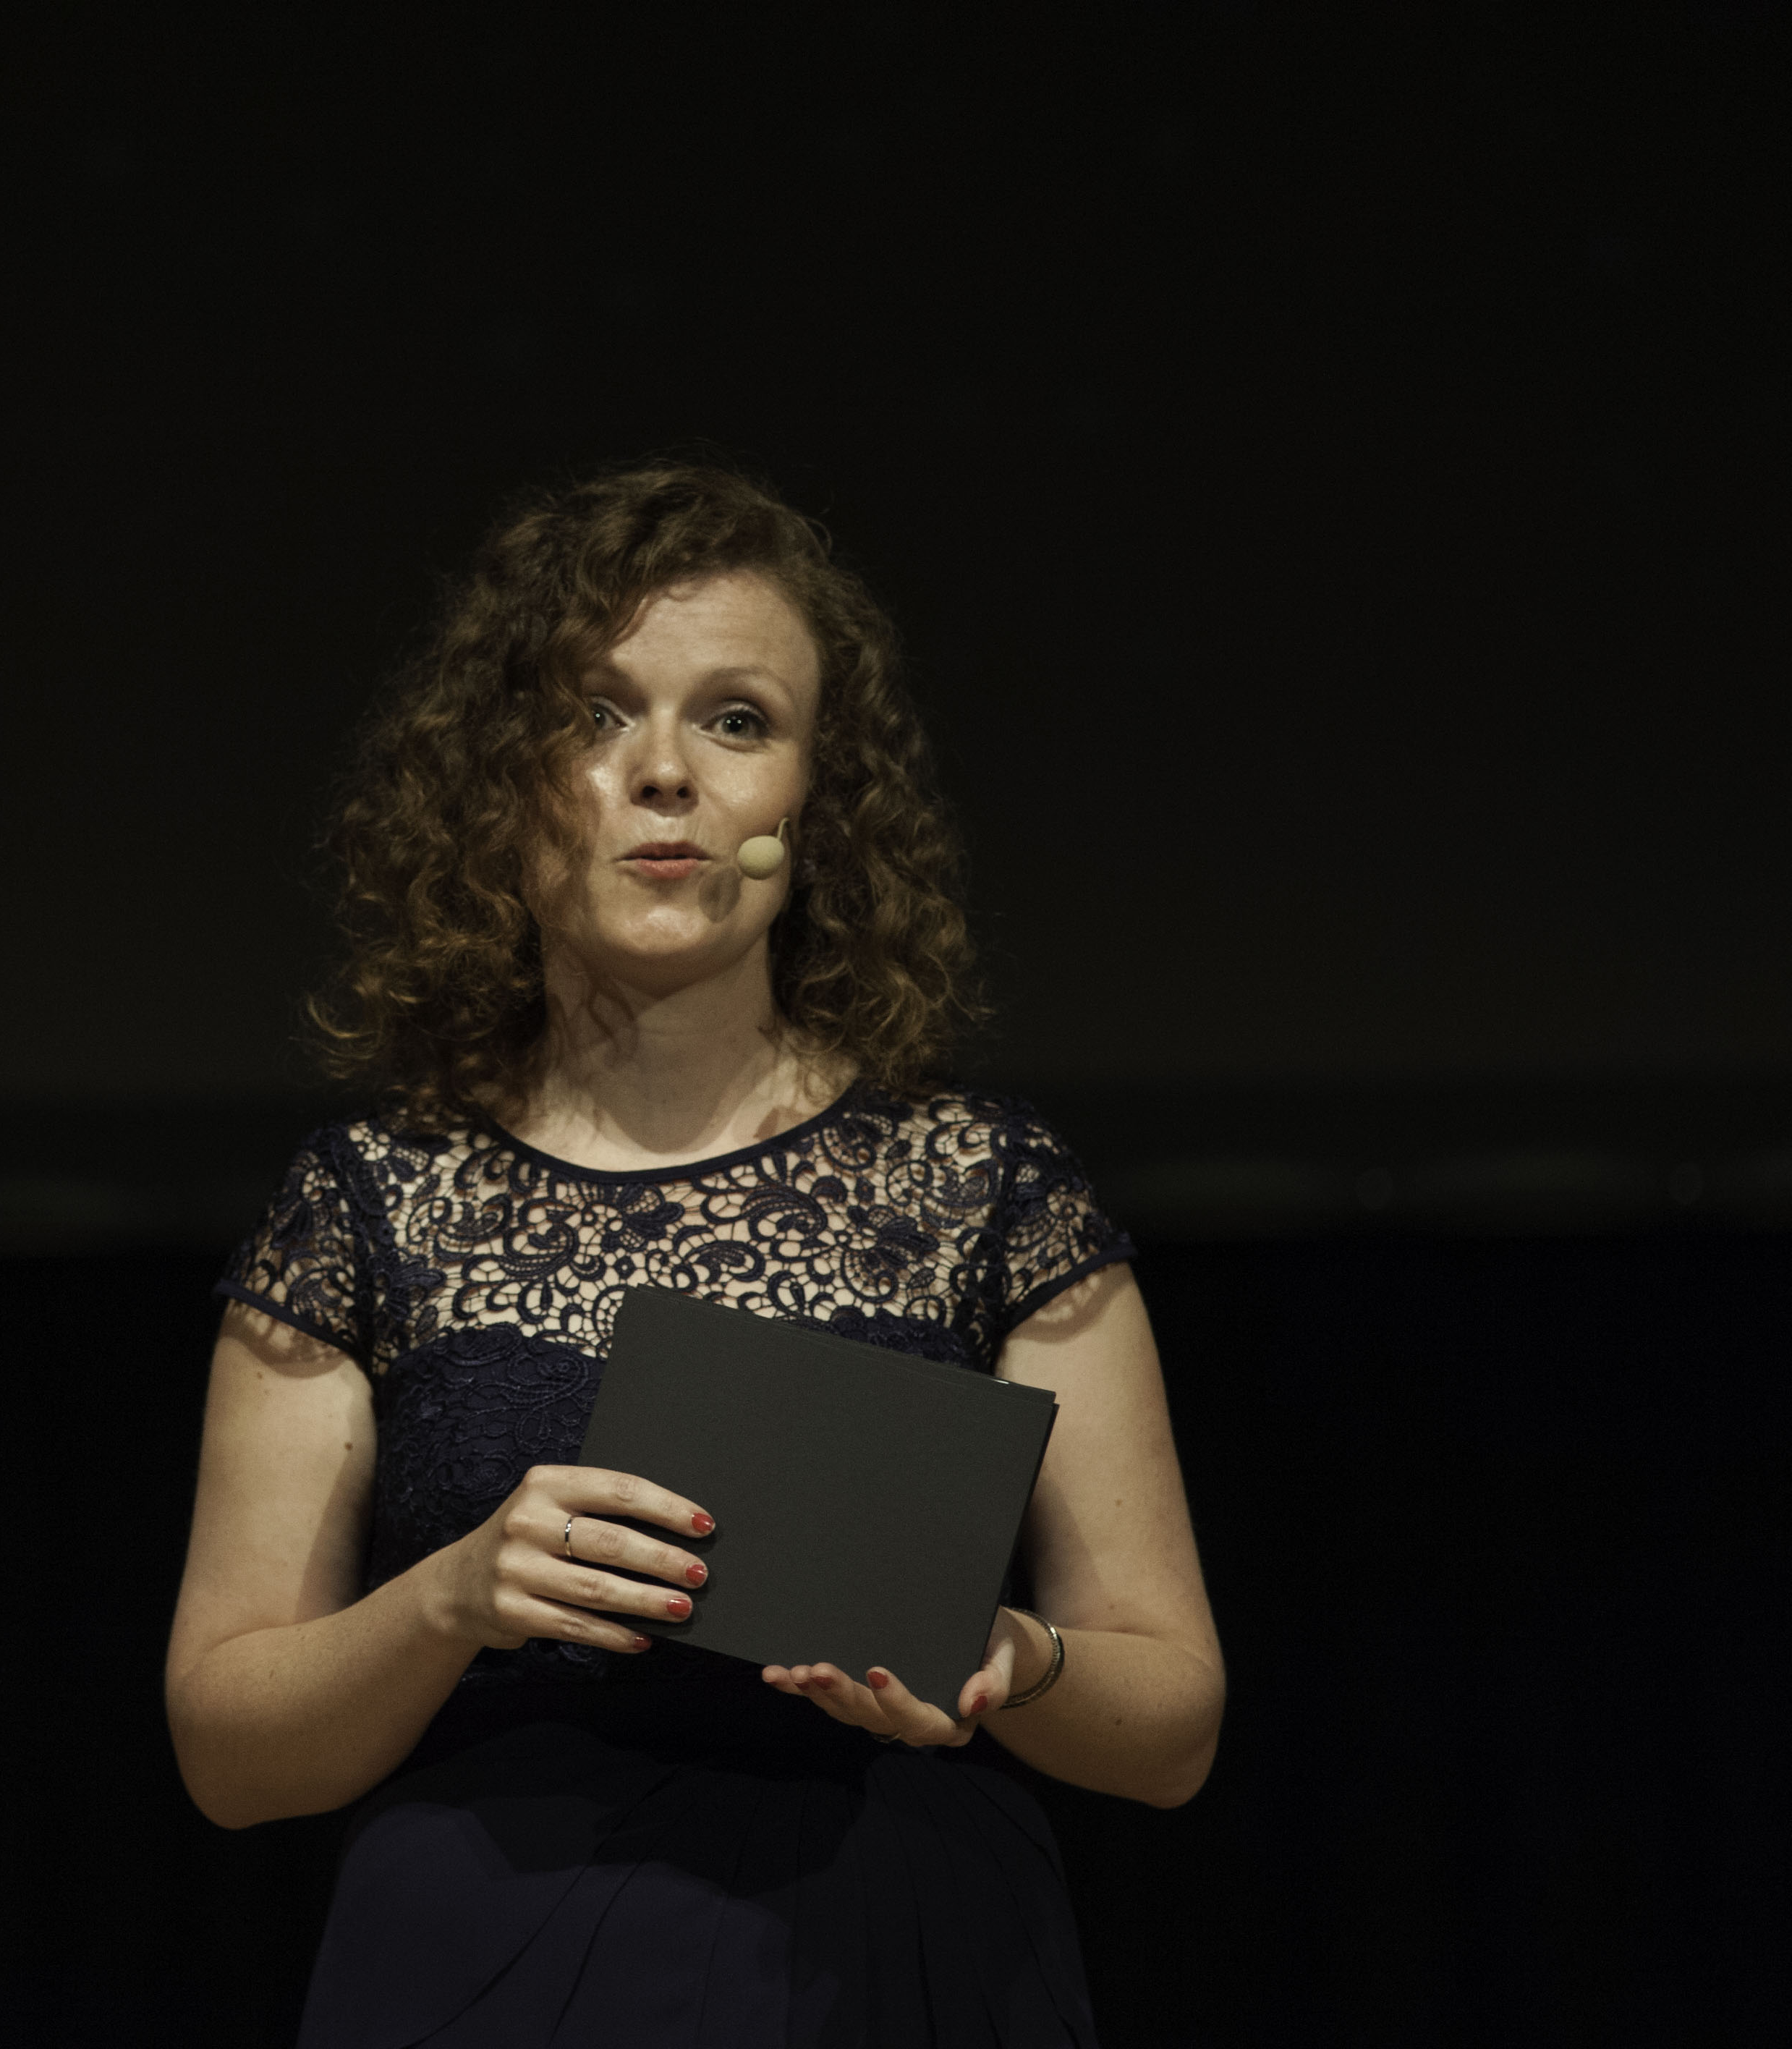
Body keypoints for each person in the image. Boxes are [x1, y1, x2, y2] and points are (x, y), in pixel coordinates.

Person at [164, 463, 1226, 2045]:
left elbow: (1175, 1728)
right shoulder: (370, 1202)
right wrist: (449, 1600)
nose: (663, 773)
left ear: (814, 801)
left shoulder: (983, 1185)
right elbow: (226, 1756)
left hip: (895, 1964)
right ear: (499, 785)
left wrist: (1009, 1655)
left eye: (737, 720)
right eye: (593, 716)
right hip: (485, 1965)